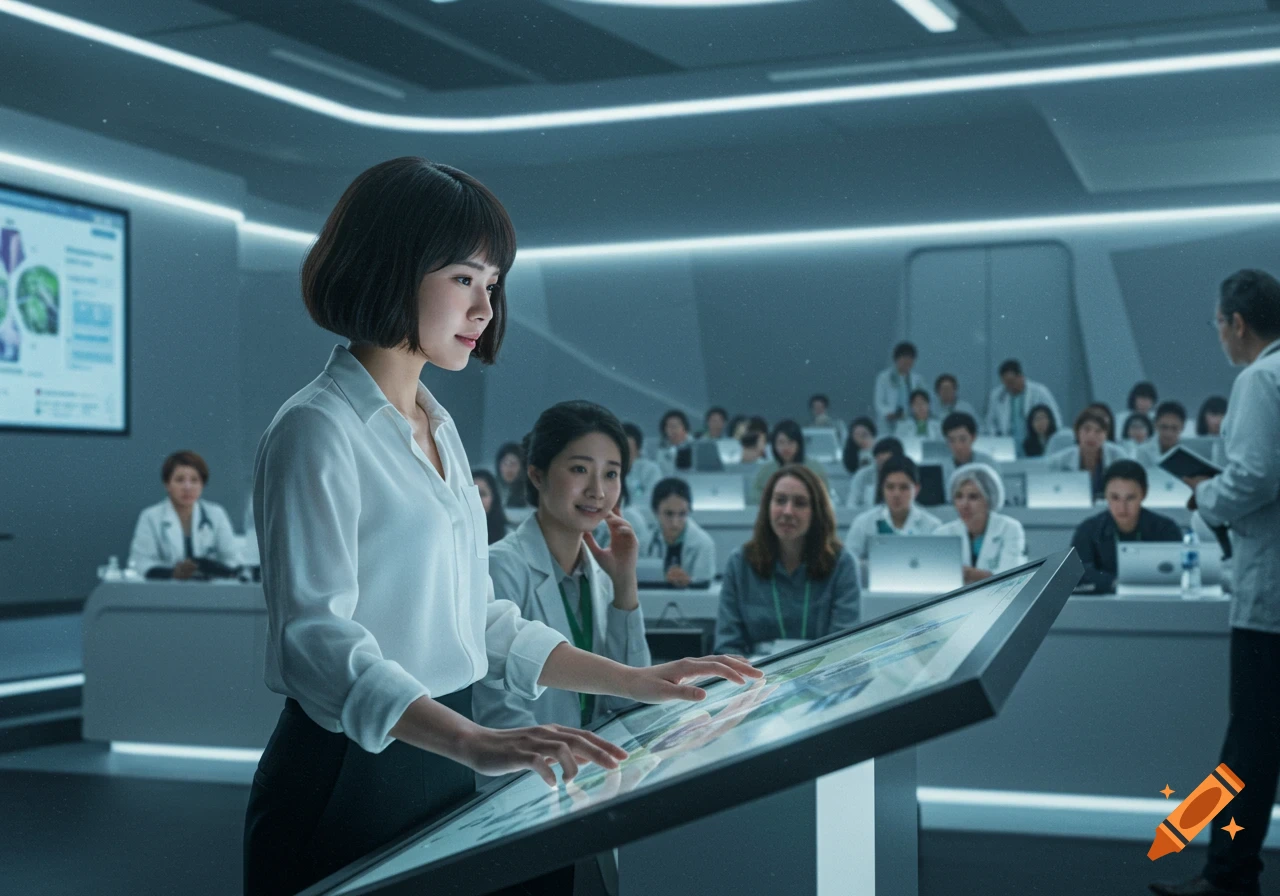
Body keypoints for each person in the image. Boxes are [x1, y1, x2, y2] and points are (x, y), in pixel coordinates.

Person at [241, 158, 758, 896]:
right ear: (391, 268)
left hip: (443, 753)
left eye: (492, 284)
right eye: (462, 279)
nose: (484, 309)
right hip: (351, 767)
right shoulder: (316, 429)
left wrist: (635, 679)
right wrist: (472, 741)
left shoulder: (436, 426)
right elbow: (317, 642)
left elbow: (478, 618)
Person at [1151, 269, 1280, 896]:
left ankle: (1228, 877)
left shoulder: (1259, 378)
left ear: (1236, 323)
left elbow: (1253, 476)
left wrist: (1207, 499)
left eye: (1218, 325)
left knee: (1247, 750)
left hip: (1270, 601)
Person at [473, 401, 653, 734]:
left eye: (611, 474)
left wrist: (625, 582)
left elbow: (632, 700)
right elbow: (499, 715)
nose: (597, 491)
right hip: (530, 777)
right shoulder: (501, 569)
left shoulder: (600, 575)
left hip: (597, 774)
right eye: (580, 469)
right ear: (537, 474)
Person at [715, 465, 861, 656]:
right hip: (755, 679)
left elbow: (843, 647)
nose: (787, 511)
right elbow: (727, 646)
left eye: (800, 503)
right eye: (780, 500)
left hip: (823, 678)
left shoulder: (842, 563)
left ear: (816, 512)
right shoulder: (740, 563)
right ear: (767, 507)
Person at [1069, 461, 1182, 594]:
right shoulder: (1088, 530)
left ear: (1144, 494)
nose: (1122, 507)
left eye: (1130, 498)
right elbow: (1075, 573)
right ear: (1105, 495)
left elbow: (1178, 572)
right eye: (1115, 497)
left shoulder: (1166, 529)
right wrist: (1114, 583)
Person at [128, 450, 239, 580]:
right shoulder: (150, 517)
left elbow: (233, 559)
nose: (187, 487)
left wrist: (211, 568)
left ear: (202, 484)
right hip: (163, 593)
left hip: (211, 593)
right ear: (167, 484)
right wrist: (172, 573)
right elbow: (141, 562)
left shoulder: (216, 514)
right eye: (179, 480)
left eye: (194, 480)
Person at [844, 457, 942, 586]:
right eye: (890, 487)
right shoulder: (863, 523)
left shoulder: (933, 526)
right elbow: (847, 566)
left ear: (916, 489)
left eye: (904, 487)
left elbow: (938, 572)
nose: (896, 494)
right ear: (881, 488)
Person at [935, 463, 1027, 583]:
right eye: (959, 496)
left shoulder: (1009, 528)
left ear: (989, 499)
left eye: (973, 497)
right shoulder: (943, 533)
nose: (964, 504)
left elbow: (1011, 578)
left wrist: (968, 574)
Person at [644, 478, 717, 587]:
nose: (675, 523)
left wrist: (689, 581)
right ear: (655, 511)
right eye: (669, 514)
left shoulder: (704, 543)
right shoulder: (645, 542)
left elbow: (705, 586)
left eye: (682, 514)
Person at [1048, 409, 1129, 498]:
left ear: (1106, 435)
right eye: (1087, 430)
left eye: (1098, 431)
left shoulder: (1119, 457)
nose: (1091, 435)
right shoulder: (1059, 461)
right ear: (1077, 432)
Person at [749, 419, 830, 506]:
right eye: (781, 442)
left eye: (790, 442)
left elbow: (823, 496)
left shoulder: (814, 468)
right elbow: (755, 495)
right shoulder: (766, 470)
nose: (785, 447)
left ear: (799, 444)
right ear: (774, 445)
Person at [985, 359, 1063, 442]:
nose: (1009, 386)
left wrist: (1055, 440)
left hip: (1035, 442)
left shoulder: (1040, 392)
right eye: (1005, 383)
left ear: (1021, 376)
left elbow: (1055, 418)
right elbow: (990, 422)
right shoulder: (997, 396)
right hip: (1007, 444)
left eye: (1011, 382)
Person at [873, 341, 927, 431]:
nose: (907, 361)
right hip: (889, 421)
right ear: (896, 359)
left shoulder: (918, 380)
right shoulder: (883, 377)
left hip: (911, 421)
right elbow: (879, 402)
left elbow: (924, 403)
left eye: (911, 358)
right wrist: (889, 413)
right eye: (904, 357)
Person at [845, 437, 904, 512]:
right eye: (877, 457)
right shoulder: (863, 475)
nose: (880, 459)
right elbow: (852, 503)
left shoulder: (905, 476)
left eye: (883, 455)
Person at [622, 422, 663, 514]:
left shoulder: (650, 470)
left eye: (628, 450)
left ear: (638, 450)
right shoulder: (604, 471)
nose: (622, 454)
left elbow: (650, 501)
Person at [940, 412, 996, 480]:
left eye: (962, 439)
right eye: (952, 440)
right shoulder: (941, 469)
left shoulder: (988, 465)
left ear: (973, 437)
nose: (958, 446)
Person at [1136, 401, 1187, 467]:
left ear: (1182, 427)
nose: (1168, 434)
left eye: (1174, 428)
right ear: (1155, 425)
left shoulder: (1190, 451)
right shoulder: (1144, 451)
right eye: (1164, 427)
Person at [470, 469, 507, 545]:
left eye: (482, 494)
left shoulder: (508, 538)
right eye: (471, 494)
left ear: (494, 498)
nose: (476, 499)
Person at [494, 441, 528, 509]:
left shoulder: (530, 493)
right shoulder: (491, 489)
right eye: (505, 463)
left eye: (513, 463)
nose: (509, 468)